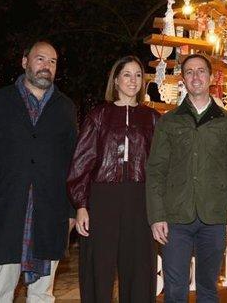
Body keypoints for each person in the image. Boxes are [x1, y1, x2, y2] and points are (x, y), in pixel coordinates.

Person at [0, 41, 77, 303]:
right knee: (0, 293)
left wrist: (72, 209)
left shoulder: (65, 108)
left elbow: (73, 163)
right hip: (6, 211)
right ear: (25, 62)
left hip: (50, 214)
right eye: (40, 59)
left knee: (42, 294)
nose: (46, 66)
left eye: (53, 61)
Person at [146, 53, 227, 303]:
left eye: (201, 71)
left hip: (214, 217)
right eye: (189, 72)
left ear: (210, 77)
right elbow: (156, 170)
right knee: (175, 289)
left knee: (208, 288)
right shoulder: (169, 121)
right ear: (183, 79)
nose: (196, 76)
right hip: (176, 218)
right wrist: (157, 216)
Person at [67, 56, 159, 303]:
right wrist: (81, 205)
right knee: (99, 268)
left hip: (140, 200)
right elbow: (81, 162)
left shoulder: (152, 118)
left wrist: (161, 208)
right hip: (102, 199)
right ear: (116, 80)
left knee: (140, 270)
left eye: (138, 75)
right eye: (127, 74)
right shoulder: (99, 115)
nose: (133, 80)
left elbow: (161, 166)